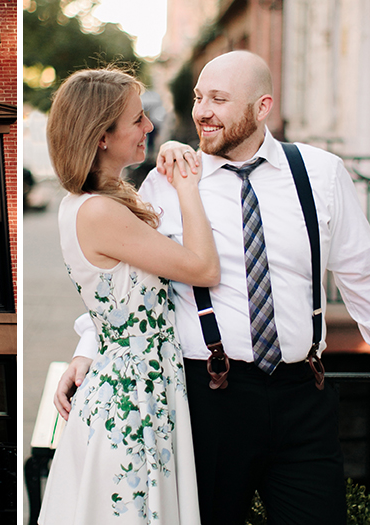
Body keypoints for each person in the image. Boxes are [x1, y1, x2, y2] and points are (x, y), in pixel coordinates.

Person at [55, 50, 370, 525]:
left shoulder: (320, 174)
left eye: (218, 99)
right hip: (211, 397)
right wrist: (89, 346)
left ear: (261, 107)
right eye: (199, 97)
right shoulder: (163, 187)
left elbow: (361, 277)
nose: (201, 111)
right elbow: (131, 286)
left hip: (305, 394)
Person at [38, 67, 220, 524]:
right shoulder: (98, 211)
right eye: (138, 119)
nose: (150, 127)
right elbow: (203, 267)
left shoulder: (101, 199)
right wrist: (187, 185)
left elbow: (117, 307)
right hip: (132, 402)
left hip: (141, 384)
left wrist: (87, 348)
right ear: (102, 136)